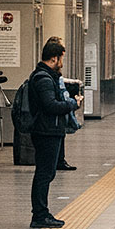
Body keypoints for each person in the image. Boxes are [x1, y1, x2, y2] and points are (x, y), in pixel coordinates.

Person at [28, 40, 81, 228]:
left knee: (46, 173)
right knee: (44, 173)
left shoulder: (47, 76)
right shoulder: (43, 79)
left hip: (49, 130)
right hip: (46, 131)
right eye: (61, 58)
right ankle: (40, 215)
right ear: (54, 57)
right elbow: (50, 106)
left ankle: (42, 213)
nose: (62, 62)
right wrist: (73, 104)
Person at [45, 36, 79, 171]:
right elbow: (51, 102)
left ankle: (59, 160)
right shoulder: (47, 77)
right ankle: (58, 160)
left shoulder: (52, 74)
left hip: (58, 113)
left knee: (61, 133)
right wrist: (71, 104)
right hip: (52, 119)